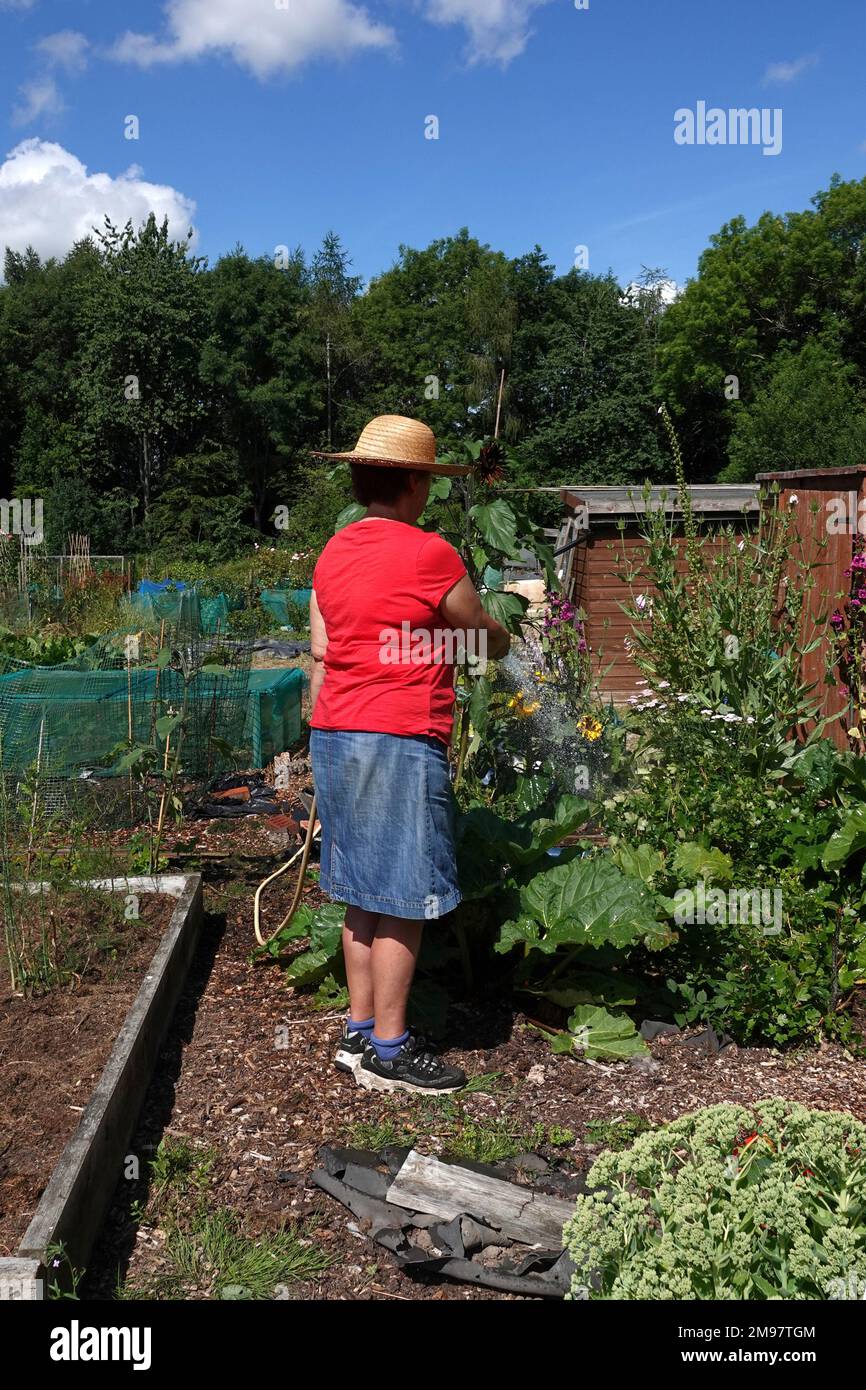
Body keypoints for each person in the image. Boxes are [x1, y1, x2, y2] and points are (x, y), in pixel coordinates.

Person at [309, 415, 510, 1094]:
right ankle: (393, 1050)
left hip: (335, 731)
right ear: (416, 483)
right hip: (397, 736)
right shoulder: (431, 554)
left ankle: (359, 1032)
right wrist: (490, 636)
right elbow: (481, 637)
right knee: (401, 896)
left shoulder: (333, 552)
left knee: (360, 891)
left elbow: (338, 644)